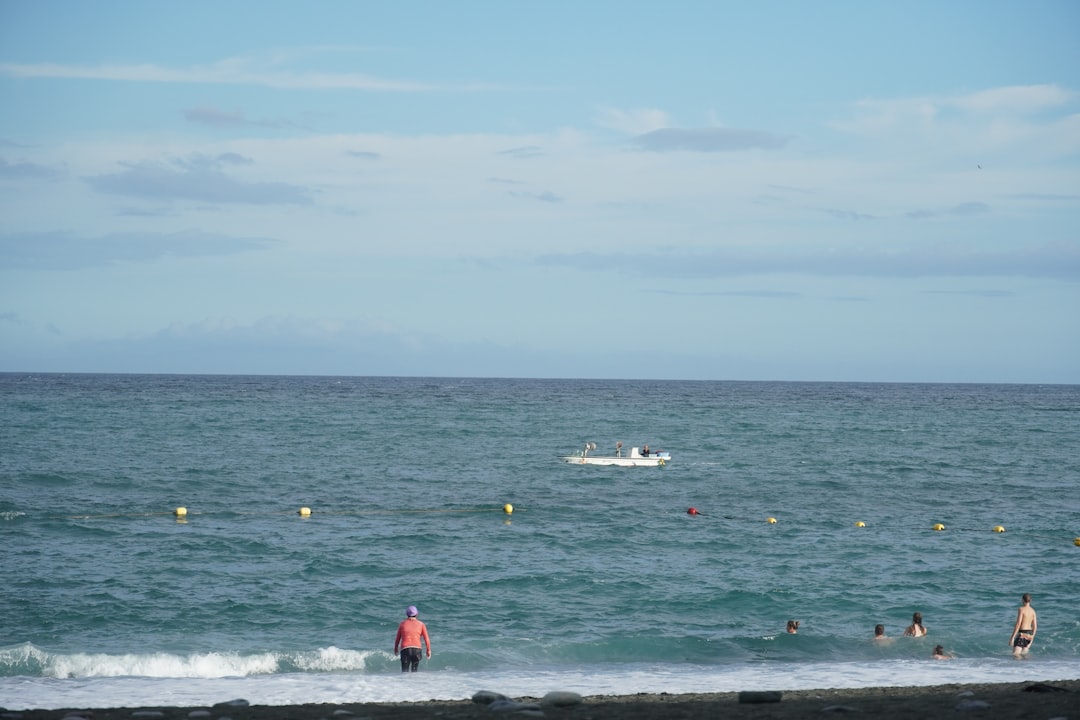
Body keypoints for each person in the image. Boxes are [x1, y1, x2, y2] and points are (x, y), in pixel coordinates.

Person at [394, 605, 432, 672]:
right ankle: (413, 682)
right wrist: (428, 650)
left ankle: (404, 682)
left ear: (407, 614)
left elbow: (398, 638)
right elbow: (427, 639)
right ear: (416, 614)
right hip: (416, 649)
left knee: (404, 672)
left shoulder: (402, 624)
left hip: (405, 649)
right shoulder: (421, 624)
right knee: (414, 671)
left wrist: (396, 649)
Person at [1009, 593, 1037, 658]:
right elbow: (1035, 626)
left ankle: (1017, 668)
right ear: (1031, 600)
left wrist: (1012, 637)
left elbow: (1018, 624)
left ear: (1022, 600)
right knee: (1024, 656)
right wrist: (1032, 637)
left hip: (1022, 634)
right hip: (1029, 635)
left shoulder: (1021, 609)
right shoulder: (1033, 611)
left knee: (1016, 655)